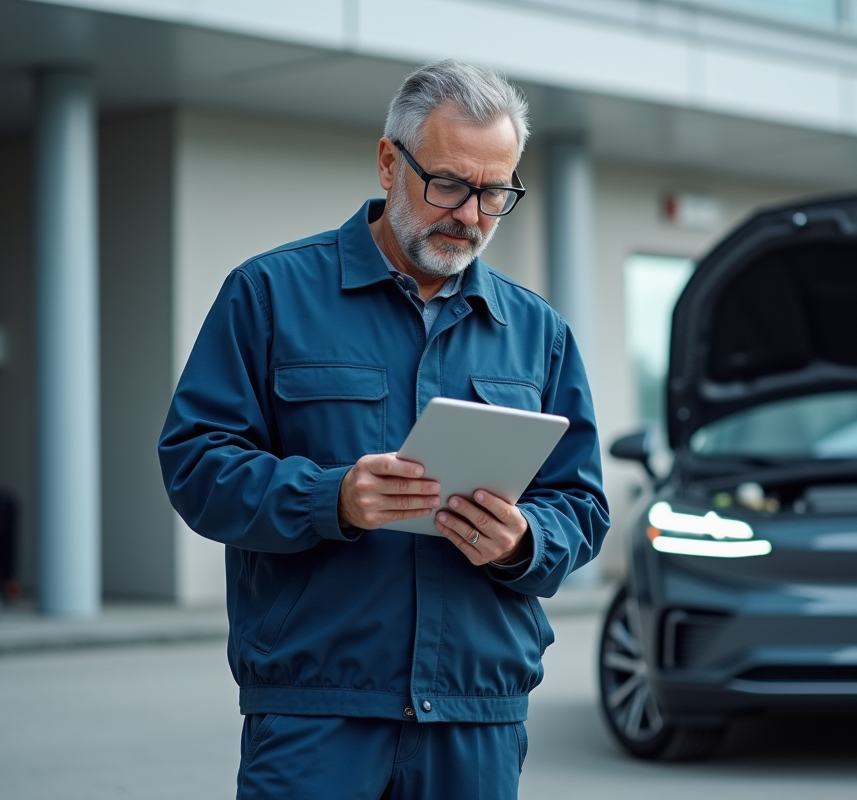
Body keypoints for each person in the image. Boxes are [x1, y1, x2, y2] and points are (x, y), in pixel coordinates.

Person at [158, 59, 610, 799]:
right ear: (387, 162)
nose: (470, 215)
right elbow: (197, 464)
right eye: (450, 185)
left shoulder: (539, 332)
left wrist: (525, 539)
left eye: (495, 193)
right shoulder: (269, 295)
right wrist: (330, 497)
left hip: (476, 716)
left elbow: (582, 505)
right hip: (316, 714)